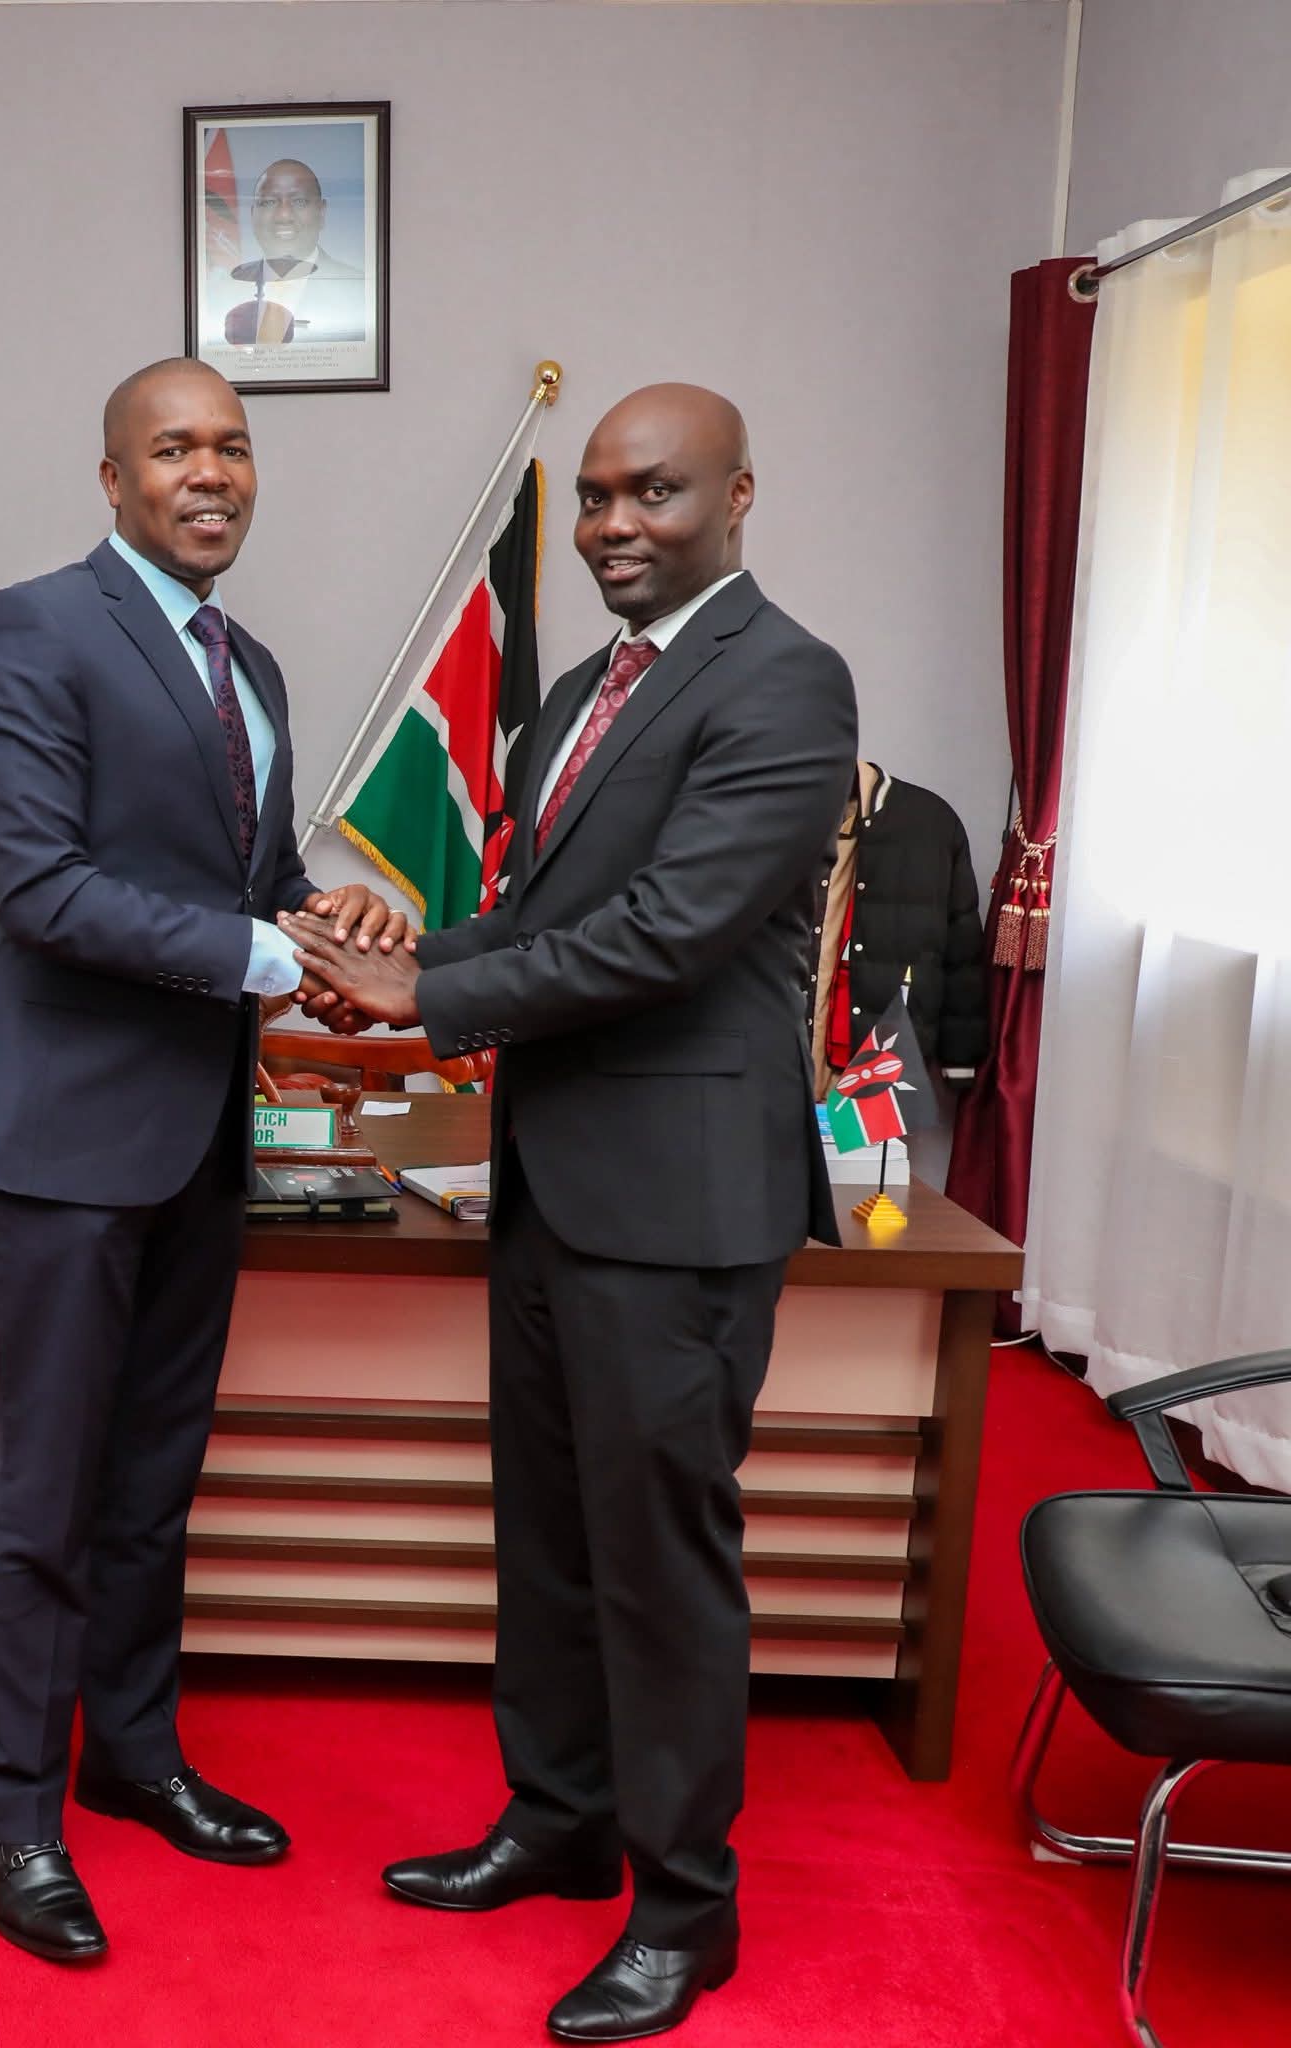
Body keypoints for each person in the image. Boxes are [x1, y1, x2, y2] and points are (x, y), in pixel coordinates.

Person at [285, 384, 858, 2042]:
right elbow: (540, 911)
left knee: (659, 1563)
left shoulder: (781, 680)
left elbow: (664, 936)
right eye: (598, 493)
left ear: (736, 494)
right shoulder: (571, 695)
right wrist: (401, 938)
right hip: (546, 1180)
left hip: (676, 1205)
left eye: (653, 492)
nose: (613, 521)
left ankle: (685, 1909)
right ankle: (556, 1821)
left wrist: (422, 999)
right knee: (545, 1536)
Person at [0, 356, 404, 1964]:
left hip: (197, 1129)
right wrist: (270, 955)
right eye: (175, 448)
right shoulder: (38, 630)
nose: (212, 472)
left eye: (235, 447)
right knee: (51, 1497)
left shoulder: (246, 660)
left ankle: (129, 1760)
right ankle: (12, 1818)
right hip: (61, 1137)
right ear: (113, 477)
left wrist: (328, 912)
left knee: (153, 1481)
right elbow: (41, 889)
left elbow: (242, 875)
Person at [213, 158, 366, 348]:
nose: (283, 216)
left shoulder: (358, 290)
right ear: (252, 215)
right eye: (269, 202)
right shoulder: (219, 294)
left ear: (322, 213)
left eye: (299, 202)